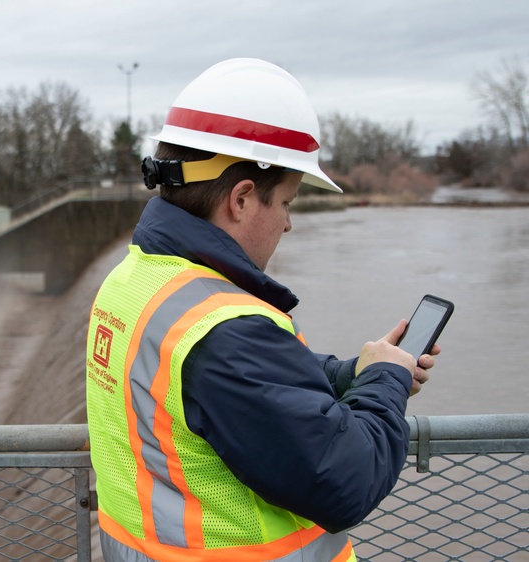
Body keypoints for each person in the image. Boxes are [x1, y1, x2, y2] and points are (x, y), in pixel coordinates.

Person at [85, 58, 440, 562]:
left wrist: (352, 373)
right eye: (288, 204)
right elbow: (347, 481)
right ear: (243, 199)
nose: (289, 225)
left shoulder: (134, 281)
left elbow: (228, 391)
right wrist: (387, 383)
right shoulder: (225, 331)